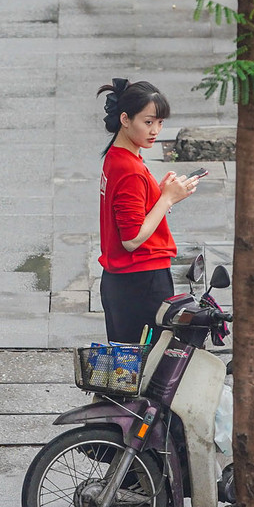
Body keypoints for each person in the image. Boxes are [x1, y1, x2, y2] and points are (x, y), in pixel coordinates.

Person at [96, 79, 199, 343]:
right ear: (125, 119)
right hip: (141, 280)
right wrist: (165, 200)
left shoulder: (117, 157)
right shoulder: (129, 169)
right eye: (148, 122)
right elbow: (131, 239)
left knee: (129, 367)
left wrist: (161, 194)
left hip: (125, 281)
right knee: (148, 367)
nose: (155, 130)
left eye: (160, 122)